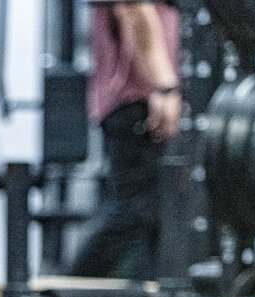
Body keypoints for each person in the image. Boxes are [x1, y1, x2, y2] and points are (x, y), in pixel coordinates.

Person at [69, 0, 182, 280]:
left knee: (158, 219)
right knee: (135, 213)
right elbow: (133, 9)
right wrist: (165, 87)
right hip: (138, 101)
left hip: (142, 100)